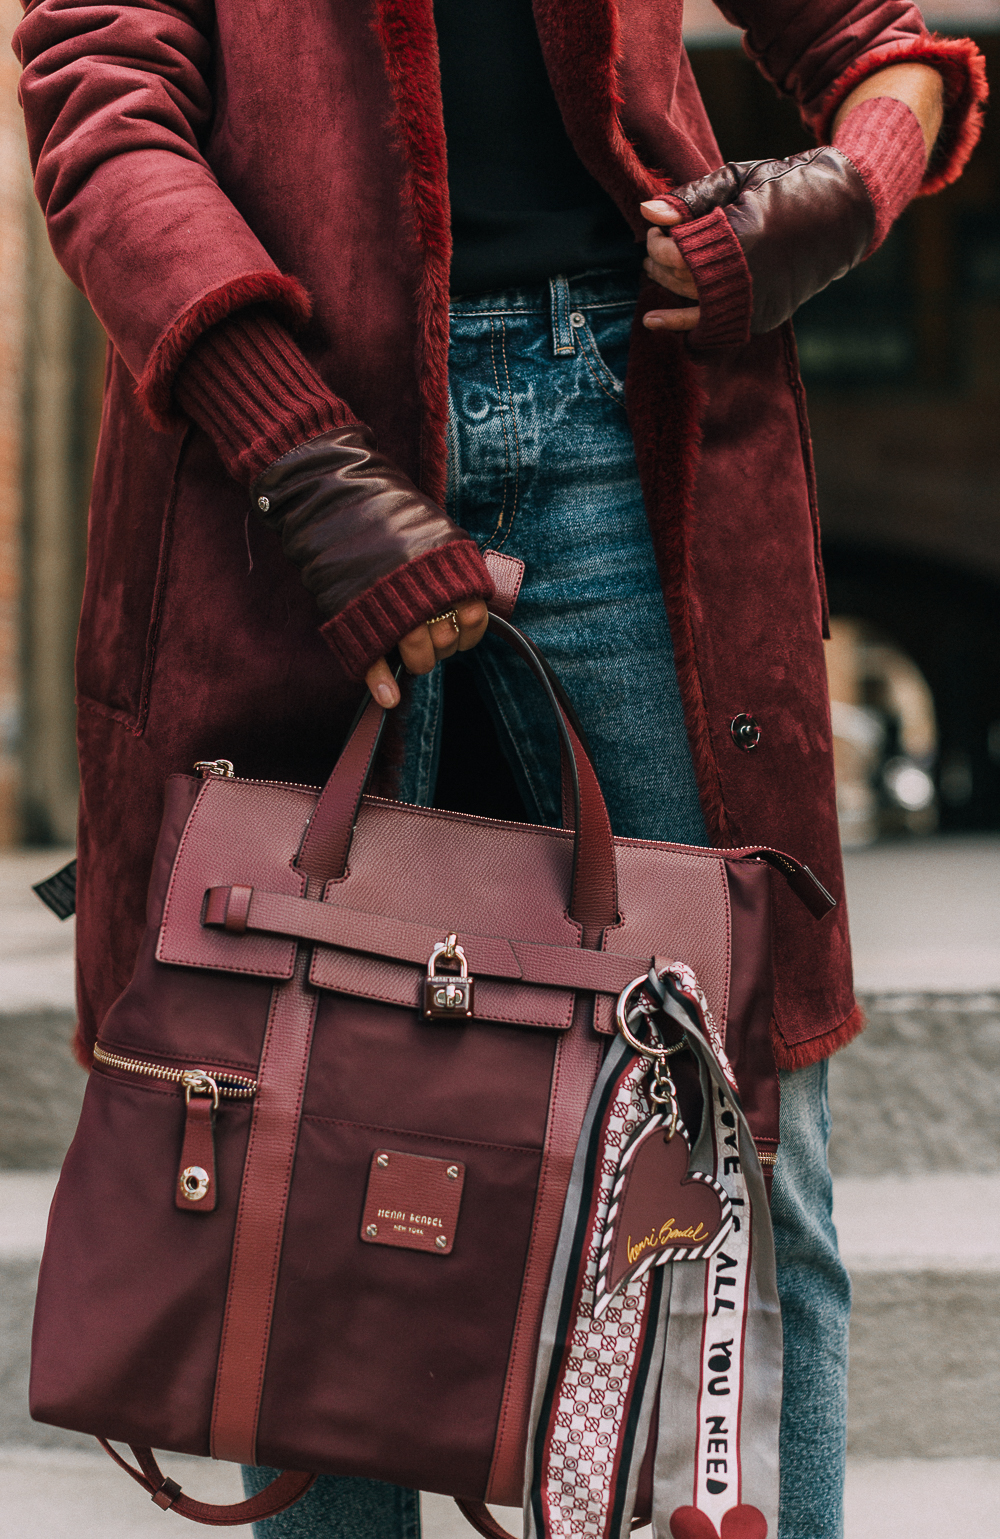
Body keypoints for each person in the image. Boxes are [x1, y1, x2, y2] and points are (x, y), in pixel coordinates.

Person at [15, 2, 985, 1536]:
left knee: (732, 1128)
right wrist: (310, 469)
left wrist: (841, 197)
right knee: (309, 1128)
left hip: (631, 419)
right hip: (298, 467)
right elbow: (101, 100)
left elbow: (894, 52)